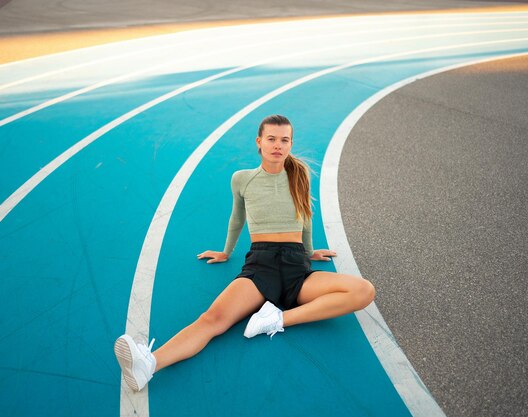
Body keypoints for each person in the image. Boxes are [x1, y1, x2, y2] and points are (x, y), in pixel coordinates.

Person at [114, 114, 376, 392]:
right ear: (259, 142)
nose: (278, 145)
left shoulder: (300, 177)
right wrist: (226, 252)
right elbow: (236, 219)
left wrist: (310, 252)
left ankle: (277, 319)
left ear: (290, 144)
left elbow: (306, 217)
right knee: (212, 320)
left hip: (297, 269)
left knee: (364, 291)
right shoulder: (242, 179)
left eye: (284, 140)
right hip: (260, 267)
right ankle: (149, 364)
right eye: (272, 139)